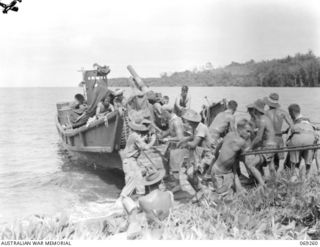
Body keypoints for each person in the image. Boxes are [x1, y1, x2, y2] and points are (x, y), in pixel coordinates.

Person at [178, 109, 214, 200]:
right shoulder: (195, 127)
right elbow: (193, 137)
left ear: (192, 121)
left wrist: (185, 144)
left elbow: (194, 144)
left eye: (187, 120)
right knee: (190, 174)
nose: (186, 122)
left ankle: (203, 193)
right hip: (201, 153)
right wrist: (184, 139)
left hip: (207, 154)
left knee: (194, 174)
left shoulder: (201, 127)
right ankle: (201, 192)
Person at [211, 119, 253, 196]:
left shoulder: (229, 134)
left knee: (231, 192)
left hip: (224, 170)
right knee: (222, 196)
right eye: (248, 131)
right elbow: (249, 151)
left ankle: (238, 189)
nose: (249, 134)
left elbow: (219, 145)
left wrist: (216, 155)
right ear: (240, 130)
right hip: (219, 173)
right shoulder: (240, 142)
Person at [121, 114, 157, 196]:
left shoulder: (133, 135)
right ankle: (125, 201)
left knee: (135, 181)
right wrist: (153, 140)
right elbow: (146, 147)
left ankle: (133, 199)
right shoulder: (136, 137)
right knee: (132, 183)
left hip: (130, 161)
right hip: (130, 162)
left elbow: (139, 143)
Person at [245, 99, 277, 186]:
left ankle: (262, 186)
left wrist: (250, 148)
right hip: (273, 145)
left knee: (251, 165)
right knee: (271, 166)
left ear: (256, 109)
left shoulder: (262, 120)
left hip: (268, 147)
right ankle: (274, 183)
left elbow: (258, 138)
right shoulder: (266, 118)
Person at [286, 104, 318, 176]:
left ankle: (295, 177)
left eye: (290, 113)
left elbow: (287, 140)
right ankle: (307, 177)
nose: (290, 115)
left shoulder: (294, 123)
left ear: (292, 112)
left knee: (294, 162)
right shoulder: (308, 120)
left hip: (297, 139)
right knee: (308, 163)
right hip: (311, 139)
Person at [264, 93, 293, 171]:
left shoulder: (265, 113)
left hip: (269, 139)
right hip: (279, 138)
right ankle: (275, 178)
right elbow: (292, 125)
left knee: (270, 161)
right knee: (277, 161)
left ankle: (273, 180)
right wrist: (286, 131)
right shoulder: (283, 112)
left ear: (268, 103)